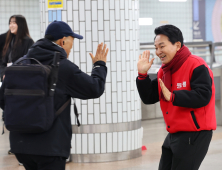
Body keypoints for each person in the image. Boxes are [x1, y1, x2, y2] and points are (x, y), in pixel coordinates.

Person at [0, 20, 109, 170]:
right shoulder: (62, 67)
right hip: (50, 147)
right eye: (72, 41)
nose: (71, 47)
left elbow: (3, 99)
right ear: (63, 41)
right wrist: (99, 65)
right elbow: (95, 88)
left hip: (20, 145)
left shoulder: (20, 62)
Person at [136, 25, 216, 170]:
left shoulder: (196, 65)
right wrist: (142, 76)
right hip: (174, 133)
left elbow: (203, 96)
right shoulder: (164, 71)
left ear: (177, 45)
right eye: (156, 48)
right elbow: (149, 98)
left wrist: (173, 96)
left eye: (162, 46)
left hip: (195, 134)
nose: (158, 52)